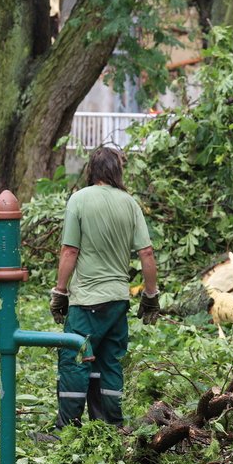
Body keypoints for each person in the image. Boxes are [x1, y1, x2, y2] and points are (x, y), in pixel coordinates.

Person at [49, 146, 160, 428]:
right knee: (108, 363)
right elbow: (146, 253)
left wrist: (60, 292)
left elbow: (69, 251)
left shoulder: (79, 200)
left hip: (87, 300)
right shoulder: (130, 203)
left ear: (92, 170)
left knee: (75, 359)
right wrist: (150, 295)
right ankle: (110, 425)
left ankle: (68, 431)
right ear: (117, 170)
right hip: (117, 300)